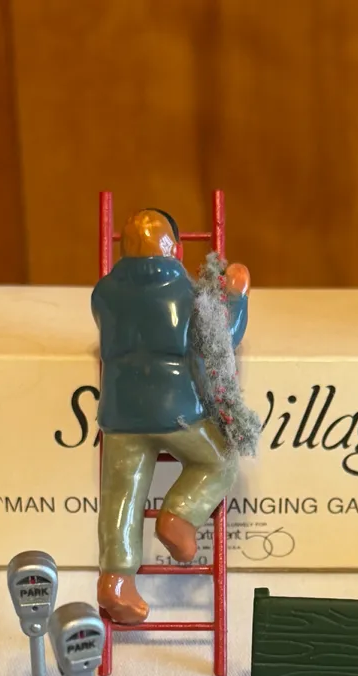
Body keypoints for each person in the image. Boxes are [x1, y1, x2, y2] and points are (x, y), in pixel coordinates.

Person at [91, 208, 249, 624]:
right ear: (176, 250)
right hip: (179, 413)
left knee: (120, 496)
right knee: (220, 459)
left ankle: (116, 580)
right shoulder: (190, 295)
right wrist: (236, 295)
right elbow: (221, 339)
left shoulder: (102, 294)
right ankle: (179, 514)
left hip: (120, 415)